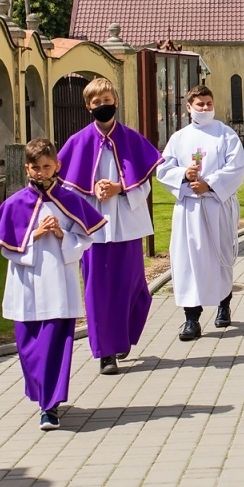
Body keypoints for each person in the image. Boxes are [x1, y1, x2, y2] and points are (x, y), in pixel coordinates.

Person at [0, 139, 106, 431]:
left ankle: (49, 407)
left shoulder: (71, 200)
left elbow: (86, 237)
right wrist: (34, 235)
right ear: (27, 168)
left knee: (54, 345)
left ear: (57, 166)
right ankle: (40, 394)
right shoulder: (14, 204)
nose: (41, 172)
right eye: (36, 168)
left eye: (47, 167)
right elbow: (5, 248)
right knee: (29, 348)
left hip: (58, 284)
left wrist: (64, 237)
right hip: (25, 286)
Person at [58, 76, 161, 376]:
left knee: (133, 287)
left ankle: (123, 336)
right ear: (88, 106)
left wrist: (120, 188)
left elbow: (144, 184)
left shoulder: (131, 139)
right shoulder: (77, 143)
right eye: (96, 102)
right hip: (94, 231)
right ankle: (106, 352)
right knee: (97, 290)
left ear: (115, 101)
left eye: (107, 100)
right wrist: (92, 190)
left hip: (126, 226)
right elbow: (68, 189)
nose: (102, 106)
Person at [157, 85, 244, 342]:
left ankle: (223, 303)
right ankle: (191, 318)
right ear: (189, 108)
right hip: (190, 208)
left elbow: (236, 167)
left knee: (220, 255)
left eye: (209, 103)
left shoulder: (225, 134)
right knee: (189, 261)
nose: (205, 108)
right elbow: (164, 169)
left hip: (216, 205)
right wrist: (184, 176)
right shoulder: (179, 139)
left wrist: (210, 184)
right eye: (200, 105)